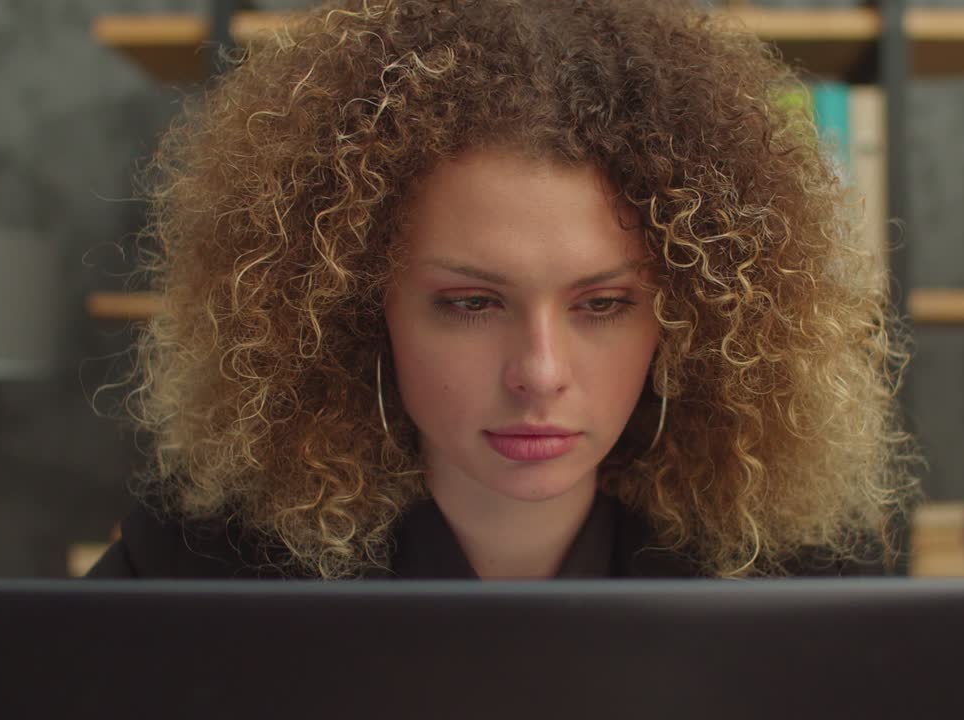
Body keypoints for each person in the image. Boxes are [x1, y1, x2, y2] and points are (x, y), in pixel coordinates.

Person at [87, 0, 919, 581]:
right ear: (355, 306)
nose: (541, 372)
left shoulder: (802, 574)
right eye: (472, 303)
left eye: (602, 305)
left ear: (687, 316)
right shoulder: (199, 564)